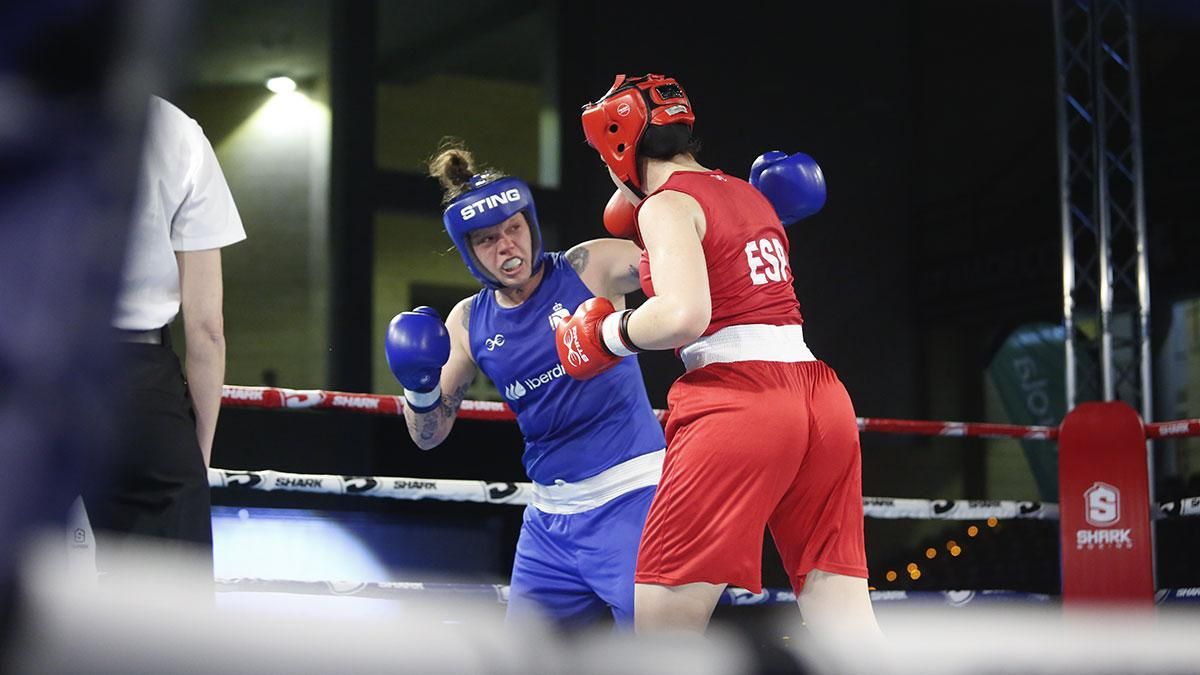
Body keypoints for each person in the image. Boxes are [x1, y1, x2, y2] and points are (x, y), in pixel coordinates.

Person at [558, 73, 881, 639]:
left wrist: (607, 334)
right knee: (845, 621)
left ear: (619, 143)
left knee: (664, 631)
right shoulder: (748, 192)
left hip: (740, 401)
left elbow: (684, 315)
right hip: (822, 399)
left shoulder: (666, 205)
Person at [383, 139, 666, 630]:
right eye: (488, 240)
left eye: (513, 229)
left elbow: (680, 263)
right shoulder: (467, 322)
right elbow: (426, 435)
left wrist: (729, 224)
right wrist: (419, 384)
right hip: (549, 524)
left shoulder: (590, 267)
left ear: (530, 224)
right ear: (470, 254)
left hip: (635, 499)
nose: (507, 246)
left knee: (660, 655)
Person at [82, 95, 246, 581]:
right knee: (162, 619)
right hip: (138, 383)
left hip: (27, 373)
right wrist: (197, 455)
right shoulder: (174, 129)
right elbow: (206, 327)